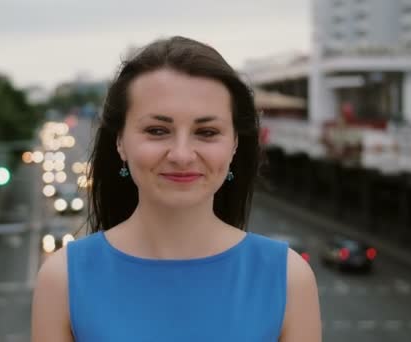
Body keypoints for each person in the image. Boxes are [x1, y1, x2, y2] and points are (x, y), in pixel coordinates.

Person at [32, 36, 321, 342]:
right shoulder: (62, 279)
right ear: (120, 141)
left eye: (207, 132)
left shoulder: (288, 279)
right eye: (157, 131)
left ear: (235, 143)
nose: (182, 155)